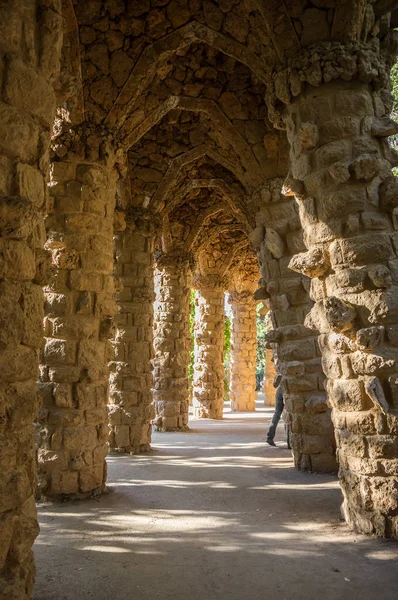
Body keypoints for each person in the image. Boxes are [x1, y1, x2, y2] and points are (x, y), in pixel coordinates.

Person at [266, 374, 284, 447]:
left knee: (276, 414)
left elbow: (275, 384)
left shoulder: (281, 369)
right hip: (286, 391)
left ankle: (270, 437)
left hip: (279, 390)